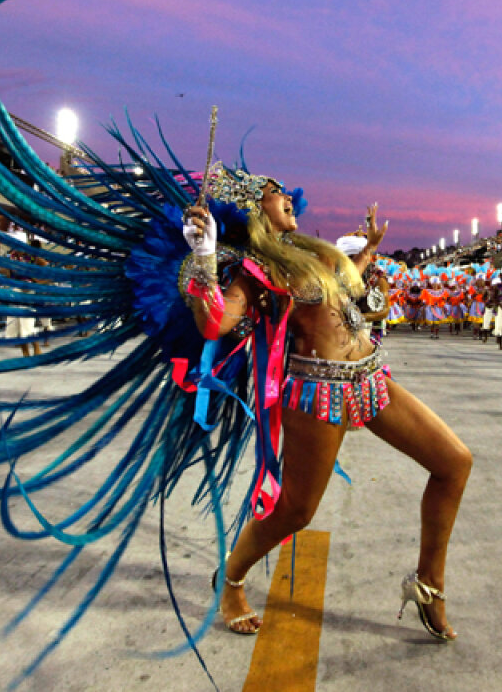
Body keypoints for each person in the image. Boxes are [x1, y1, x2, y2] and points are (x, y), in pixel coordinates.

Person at [182, 177, 471, 640]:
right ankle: (231, 578)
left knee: (454, 462)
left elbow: (344, 288)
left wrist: (369, 251)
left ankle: (428, 585)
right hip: (317, 394)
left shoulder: (312, 254)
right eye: (275, 193)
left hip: (370, 378)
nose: (287, 198)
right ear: (254, 208)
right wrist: (204, 254)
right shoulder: (257, 272)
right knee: (296, 511)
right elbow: (215, 322)